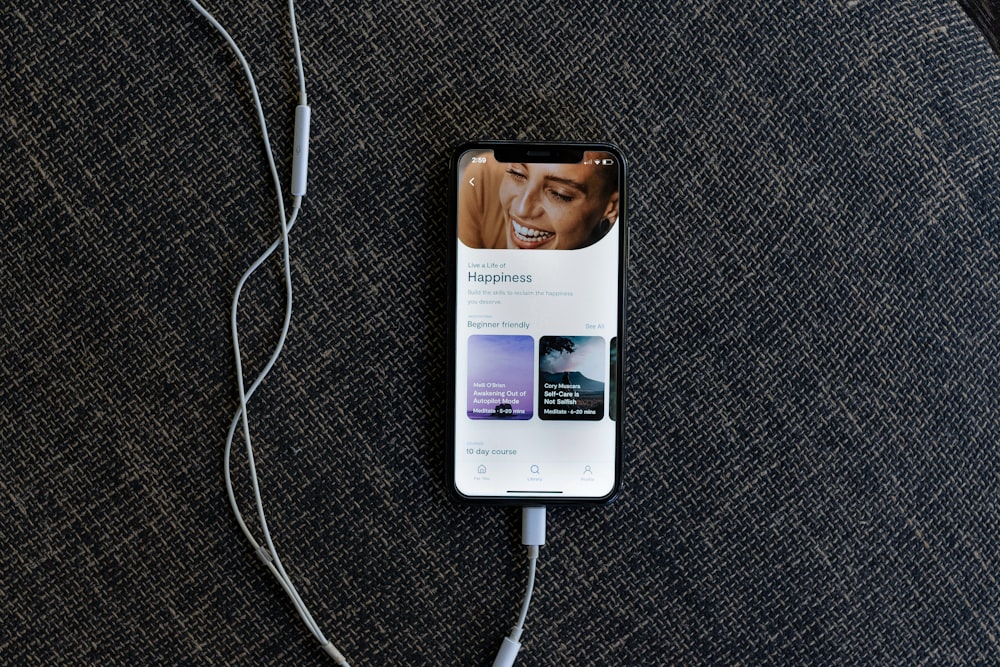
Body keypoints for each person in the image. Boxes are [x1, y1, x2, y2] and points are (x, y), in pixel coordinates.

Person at [458, 151, 619, 250]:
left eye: (559, 194)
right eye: (517, 174)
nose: (522, 209)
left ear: (611, 207)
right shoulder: (485, 177)